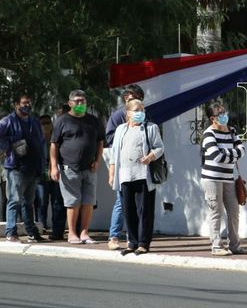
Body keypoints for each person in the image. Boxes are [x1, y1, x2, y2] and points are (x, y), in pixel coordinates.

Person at [108, 99, 163, 256]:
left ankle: (143, 243)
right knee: (128, 210)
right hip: (125, 175)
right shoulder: (120, 129)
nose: (140, 113)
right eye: (137, 110)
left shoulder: (150, 128)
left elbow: (160, 147)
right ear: (128, 113)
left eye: (142, 110)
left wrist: (150, 157)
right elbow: (114, 154)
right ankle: (132, 242)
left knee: (144, 210)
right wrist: (112, 173)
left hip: (143, 175)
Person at [50, 90, 105, 244]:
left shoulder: (94, 121)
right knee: (73, 202)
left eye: (83, 101)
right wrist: (54, 166)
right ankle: (72, 233)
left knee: (88, 202)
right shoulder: (62, 121)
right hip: (69, 167)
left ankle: (84, 233)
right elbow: (54, 144)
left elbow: (100, 141)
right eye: (77, 101)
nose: (81, 104)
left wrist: (97, 160)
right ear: (70, 103)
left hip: (90, 168)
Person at [200, 102, 247, 256]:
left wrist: (227, 153)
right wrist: (232, 153)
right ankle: (216, 246)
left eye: (224, 113)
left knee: (234, 211)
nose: (224, 116)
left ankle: (235, 245)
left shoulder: (232, 131)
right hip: (211, 178)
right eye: (220, 114)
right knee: (216, 211)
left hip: (228, 178)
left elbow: (242, 150)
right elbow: (216, 156)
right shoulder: (209, 134)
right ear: (212, 118)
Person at [0, 94, 47, 243]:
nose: (27, 106)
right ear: (16, 104)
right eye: (24, 103)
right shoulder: (8, 121)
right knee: (14, 200)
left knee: (29, 202)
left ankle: (31, 232)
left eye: (29, 103)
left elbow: (41, 142)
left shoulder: (34, 121)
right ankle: (11, 232)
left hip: (33, 168)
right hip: (16, 168)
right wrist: (10, 145)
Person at [105, 84, 145, 250]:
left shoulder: (144, 118)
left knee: (138, 204)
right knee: (121, 202)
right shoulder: (118, 118)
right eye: (128, 96)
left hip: (140, 168)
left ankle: (133, 238)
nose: (130, 98)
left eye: (134, 96)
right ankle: (113, 236)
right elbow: (109, 138)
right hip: (123, 167)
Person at [37, 115, 67, 240]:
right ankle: (41, 225)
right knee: (42, 201)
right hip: (41, 173)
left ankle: (57, 227)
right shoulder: (37, 138)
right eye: (43, 123)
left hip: (55, 171)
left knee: (56, 201)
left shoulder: (56, 137)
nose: (46, 125)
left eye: (48, 122)